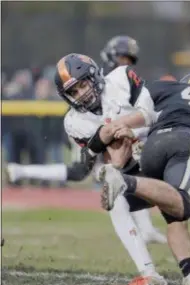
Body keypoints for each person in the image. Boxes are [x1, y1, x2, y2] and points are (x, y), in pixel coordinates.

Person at [53, 55, 190, 285]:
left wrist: (117, 128)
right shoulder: (74, 122)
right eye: (74, 91)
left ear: (95, 76)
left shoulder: (121, 78)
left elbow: (148, 114)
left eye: (83, 84)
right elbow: (112, 157)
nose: (81, 93)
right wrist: (115, 148)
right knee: (115, 200)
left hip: (161, 146)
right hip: (133, 166)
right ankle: (149, 274)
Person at [6, 35, 166, 245]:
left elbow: (147, 113)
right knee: (85, 170)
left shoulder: (122, 78)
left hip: (130, 128)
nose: (125, 62)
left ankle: (20, 171)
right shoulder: (91, 91)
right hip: (99, 128)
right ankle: (20, 171)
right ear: (110, 56)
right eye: (121, 57)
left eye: (129, 59)